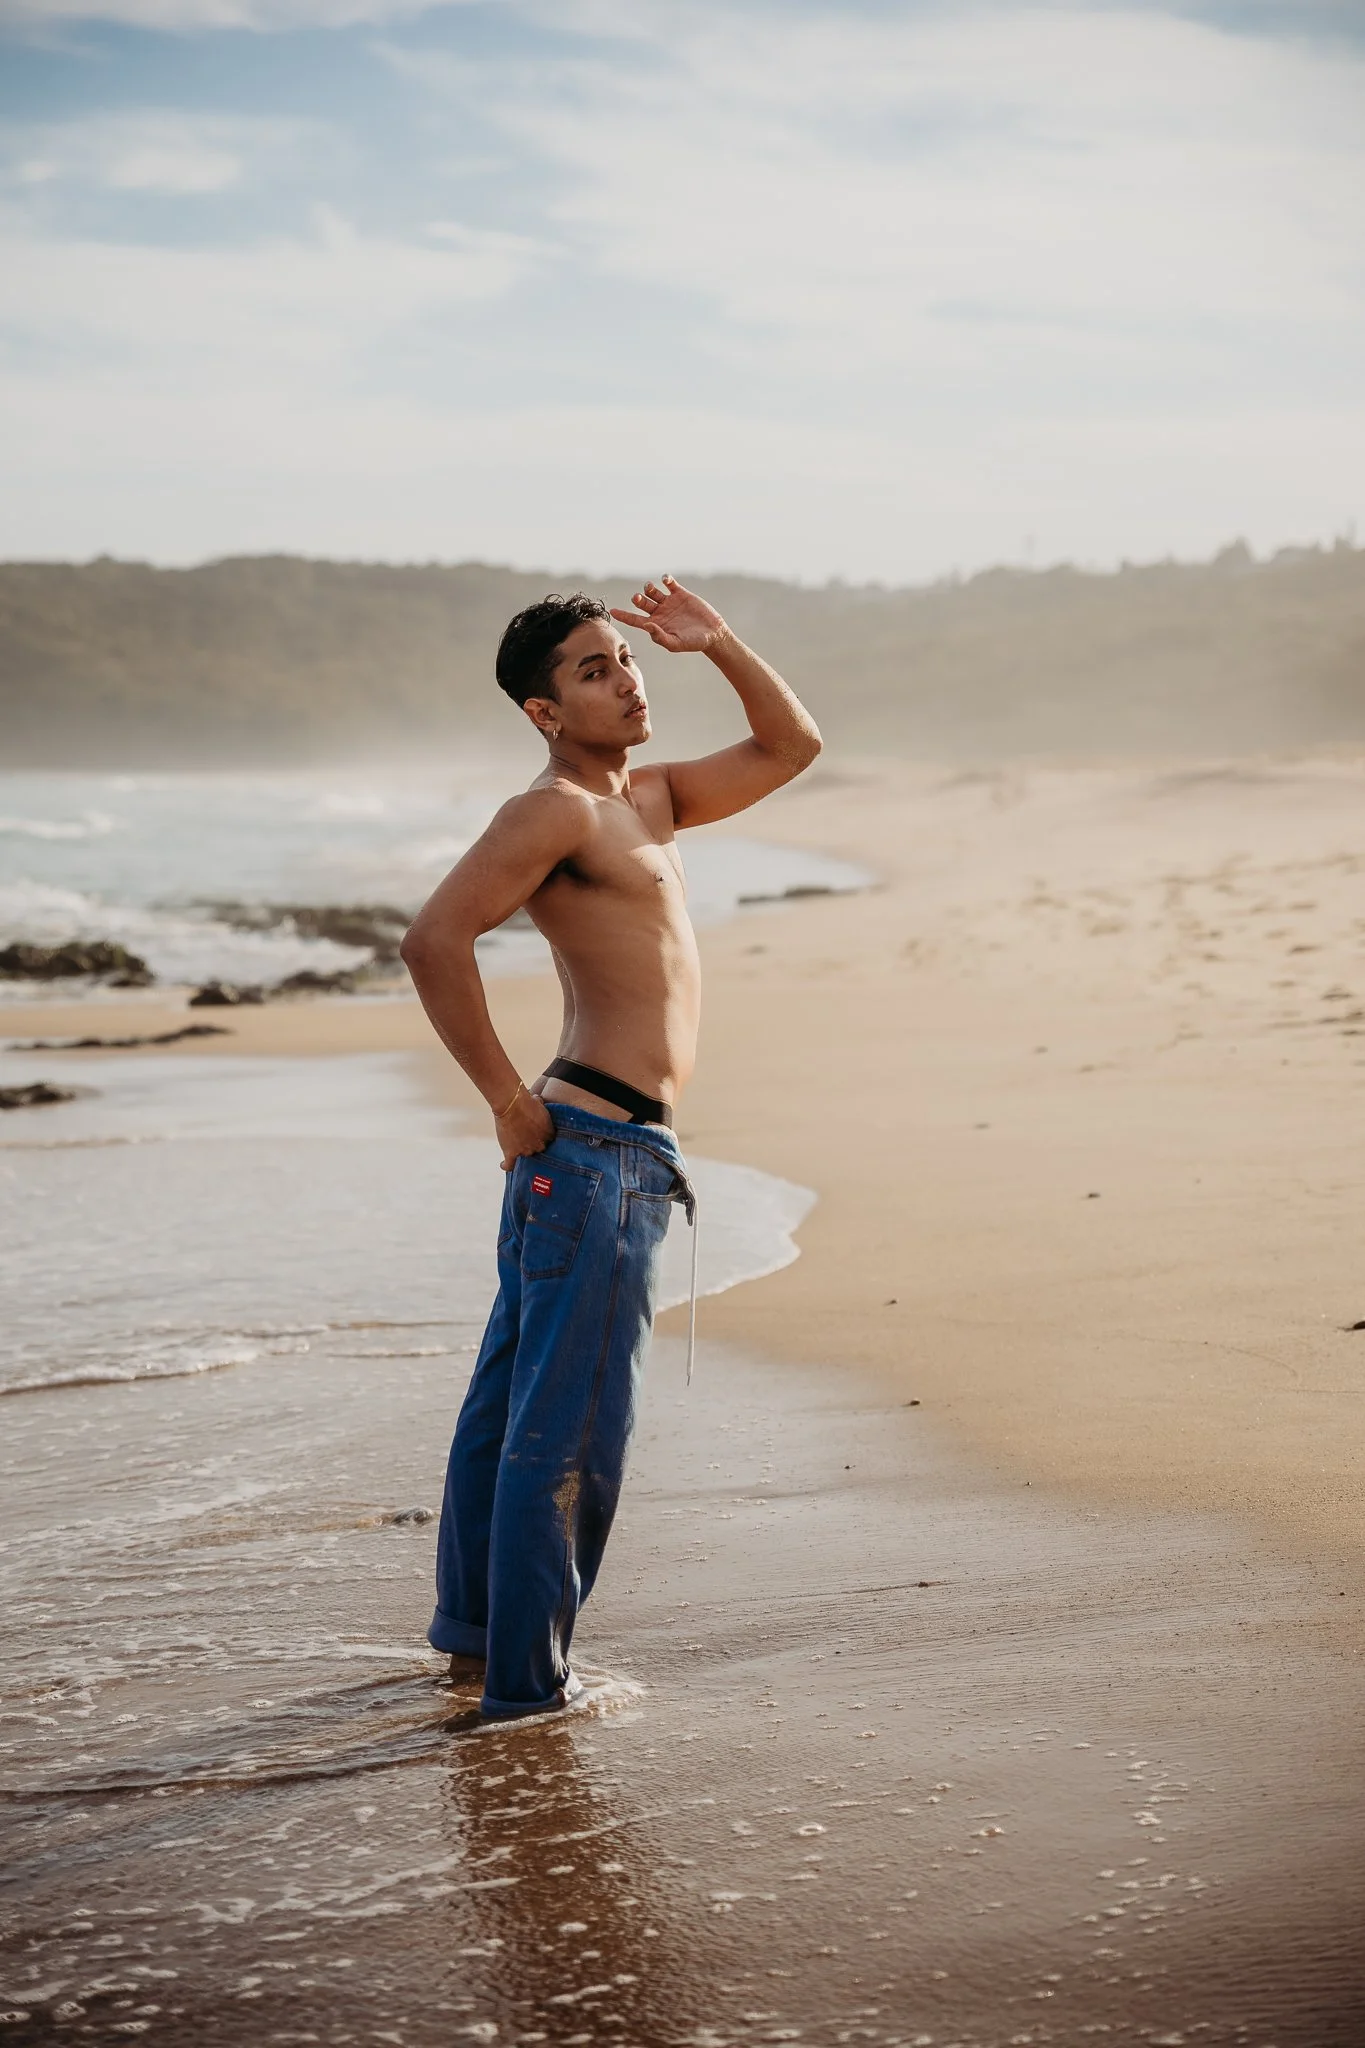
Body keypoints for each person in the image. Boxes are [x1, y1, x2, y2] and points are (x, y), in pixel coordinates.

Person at [400, 575, 822, 1717]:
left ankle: (480, 1649)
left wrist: (718, 641)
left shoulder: (653, 800)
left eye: (624, 660)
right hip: (590, 1150)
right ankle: (531, 1692)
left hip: (595, 1153)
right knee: (568, 1428)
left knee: (511, 1407)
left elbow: (793, 743)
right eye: (594, 669)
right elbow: (434, 939)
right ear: (543, 712)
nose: (627, 677)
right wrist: (501, 1098)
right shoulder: (557, 813)